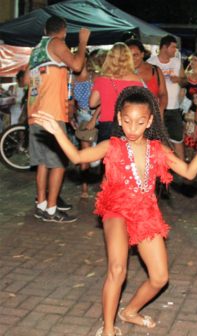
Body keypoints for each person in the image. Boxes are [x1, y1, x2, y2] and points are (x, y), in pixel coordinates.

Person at [31, 86, 197, 336]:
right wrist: (57, 131)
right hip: (116, 208)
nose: (132, 128)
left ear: (150, 121)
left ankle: (130, 311)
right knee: (118, 269)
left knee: (160, 278)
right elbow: (77, 157)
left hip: (145, 213)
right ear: (119, 118)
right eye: (127, 121)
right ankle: (108, 329)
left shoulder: (157, 149)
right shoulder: (112, 145)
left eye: (140, 122)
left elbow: (189, 172)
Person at [26, 15, 90, 223]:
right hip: (52, 115)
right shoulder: (57, 43)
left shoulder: (37, 49)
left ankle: (42, 204)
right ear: (63, 31)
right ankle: (52, 210)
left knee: (43, 163)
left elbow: (26, 80)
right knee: (60, 163)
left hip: (36, 113)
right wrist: (82, 42)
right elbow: (78, 66)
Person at [89, 43, 143, 143]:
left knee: (106, 155)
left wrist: (106, 97)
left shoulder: (102, 79)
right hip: (128, 124)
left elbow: (92, 103)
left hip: (107, 124)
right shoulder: (137, 80)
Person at [147, 35, 185, 160]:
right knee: (159, 140)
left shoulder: (177, 62)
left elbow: (185, 81)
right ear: (164, 47)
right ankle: (162, 172)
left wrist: (179, 79)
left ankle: (183, 174)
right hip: (156, 108)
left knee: (177, 140)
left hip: (174, 107)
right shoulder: (151, 62)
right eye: (173, 47)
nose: (175, 50)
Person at [70, 51, 97, 199]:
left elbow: (102, 99)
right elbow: (71, 101)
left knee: (102, 154)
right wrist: (70, 116)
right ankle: (85, 188)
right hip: (82, 117)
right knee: (85, 154)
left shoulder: (95, 77)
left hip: (98, 117)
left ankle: (105, 185)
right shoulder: (72, 79)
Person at [125, 39, 168, 117]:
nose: (132, 59)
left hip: (153, 117)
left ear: (142, 54)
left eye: (135, 55)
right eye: (129, 56)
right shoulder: (122, 73)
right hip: (130, 119)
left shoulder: (156, 71)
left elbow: (163, 94)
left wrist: (160, 110)